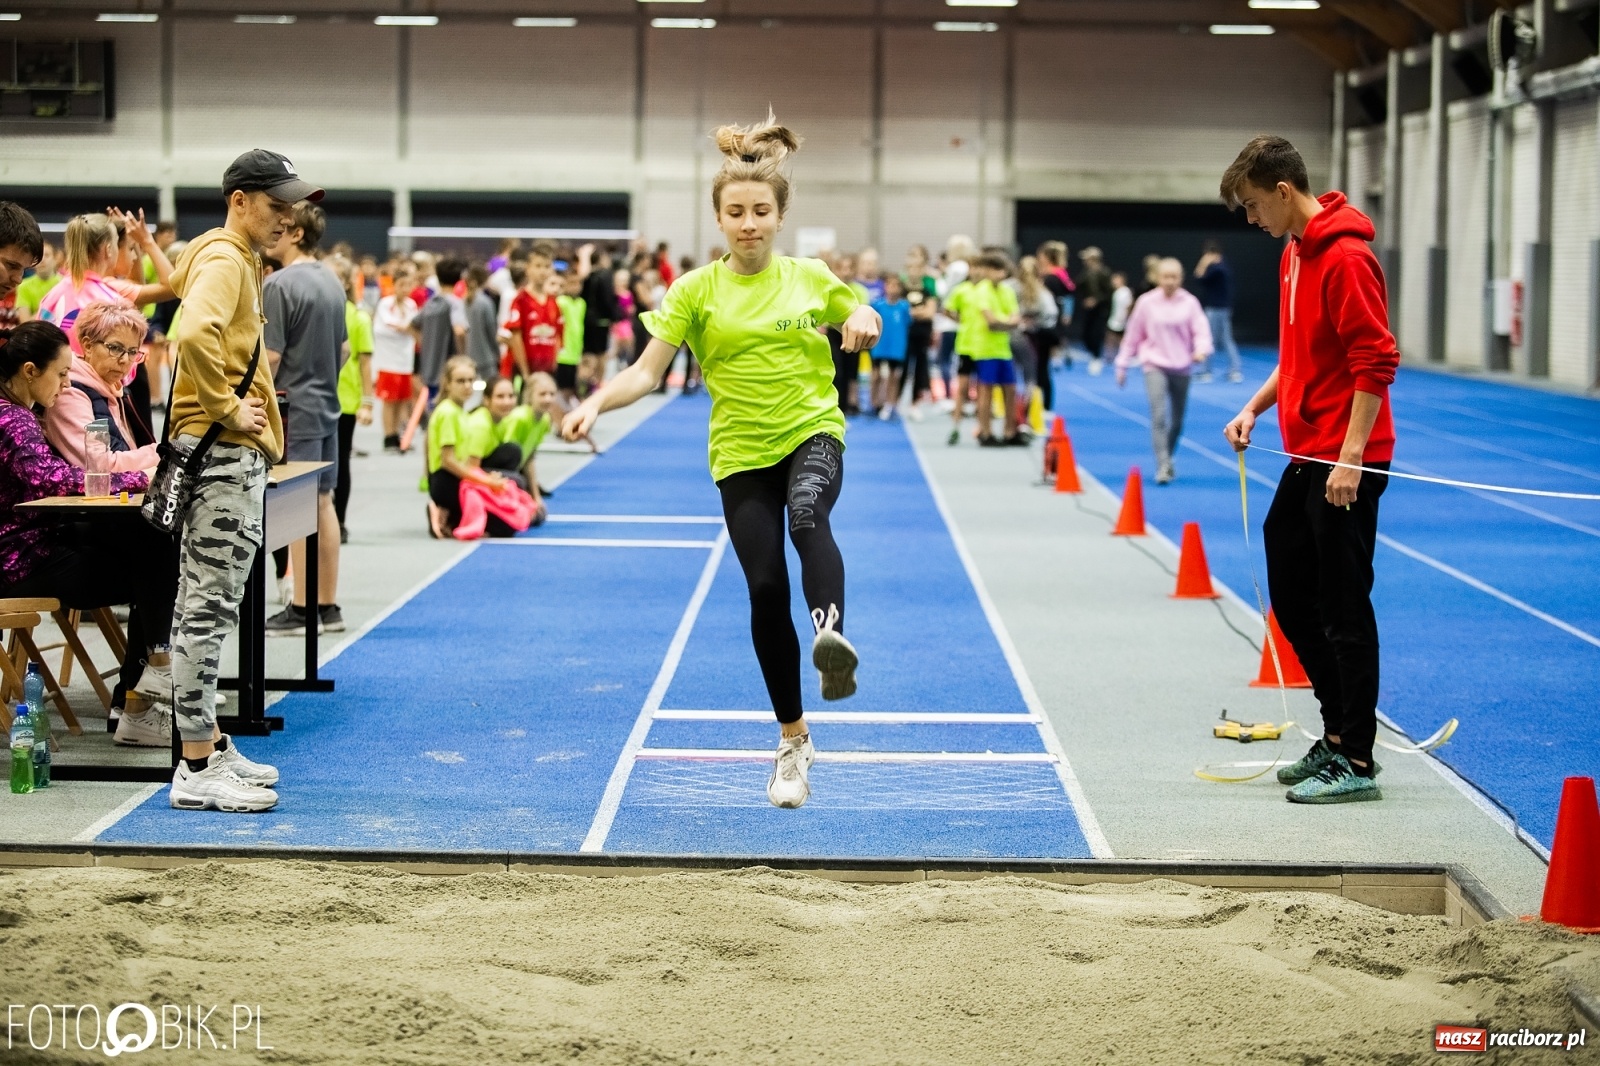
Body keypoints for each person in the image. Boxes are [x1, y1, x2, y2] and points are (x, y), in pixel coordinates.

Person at [563, 114, 881, 810]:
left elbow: (860, 312)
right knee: (765, 589)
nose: (748, 223)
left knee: (808, 516)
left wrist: (861, 319)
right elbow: (646, 373)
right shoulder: (696, 291)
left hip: (811, 431)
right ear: (718, 217)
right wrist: (596, 403)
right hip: (740, 453)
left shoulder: (810, 277)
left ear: (779, 216)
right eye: (735, 212)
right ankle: (793, 739)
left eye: (760, 211)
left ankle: (831, 636)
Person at [1220, 135, 1400, 804]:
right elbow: (1297, 354)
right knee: (1291, 590)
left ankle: (1356, 758)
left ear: (1285, 192)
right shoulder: (1295, 254)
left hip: (1346, 458)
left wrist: (1351, 457)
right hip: (1308, 451)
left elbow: (1375, 360)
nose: (1250, 219)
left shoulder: (1347, 258)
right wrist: (1255, 407)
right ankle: (1334, 734)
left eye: (1253, 205)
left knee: (1344, 606)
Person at [166, 148, 323, 814]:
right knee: (206, 609)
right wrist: (230, 406)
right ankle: (195, 766)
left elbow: (178, 288)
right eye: (275, 203)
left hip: (224, 451)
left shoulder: (216, 254)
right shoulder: (228, 259)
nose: (288, 217)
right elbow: (189, 331)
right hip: (222, 448)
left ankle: (210, 743)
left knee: (212, 605)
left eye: (292, 206)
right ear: (239, 200)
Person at [0, 319, 177, 748]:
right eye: (60, 375)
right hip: (18, 562)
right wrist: (137, 481)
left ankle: (149, 679)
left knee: (149, 549)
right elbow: (52, 479)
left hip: (33, 549)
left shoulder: (22, 414)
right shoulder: (12, 420)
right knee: (153, 555)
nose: (65, 386)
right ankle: (147, 682)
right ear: (29, 371)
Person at [261, 200, 348, 638]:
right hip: (327, 403)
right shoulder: (332, 280)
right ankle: (327, 606)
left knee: (298, 503)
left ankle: (300, 608)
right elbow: (345, 350)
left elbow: (269, 357)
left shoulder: (278, 285)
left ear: (298, 233)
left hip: (296, 407)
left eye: (283, 224)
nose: (273, 228)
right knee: (322, 502)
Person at [1114, 258, 1212, 485]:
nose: (1170, 281)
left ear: (1181, 278)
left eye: (1174, 277)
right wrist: (1122, 364)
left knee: (1177, 421)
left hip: (1182, 366)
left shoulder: (1190, 303)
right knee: (1159, 416)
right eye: (1165, 276)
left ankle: (1168, 455)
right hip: (1154, 365)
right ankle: (1163, 464)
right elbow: (1132, 336)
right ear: (1158, 278)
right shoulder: (1146, 303)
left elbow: (1201, 331)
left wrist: (1201, 350)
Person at [41, 301, 159, 473]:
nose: (125, 360)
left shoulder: (112, 388)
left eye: (132, 351)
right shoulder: (70, 392)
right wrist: (159, 453)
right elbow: (100, 467)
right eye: (115, 348)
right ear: (88, 346)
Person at [38, 210, 174, 353]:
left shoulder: (52, 295)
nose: (134, 256)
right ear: (109, 250)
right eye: (128, 247)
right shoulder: (112, 299)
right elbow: (172, 286)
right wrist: (147, 241)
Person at [426, 356, 513, 539]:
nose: (467, 386)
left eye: (470, 380)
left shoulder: (461, 412)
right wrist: (486, 482)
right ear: (448, 384)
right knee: (504, 527)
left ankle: (450, 516)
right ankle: (443, 509)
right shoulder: (448, 412)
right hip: (446, 481)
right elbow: (447, 460)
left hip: (459, 478)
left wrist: (484, 477)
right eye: (460, 381)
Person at [330, 257, 374, 542]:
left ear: (346, 282)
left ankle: (340, 521)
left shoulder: (358, 317)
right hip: (314, 400)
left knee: (341, 461)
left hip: (345, 400)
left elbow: (365, 363)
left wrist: (367, 401)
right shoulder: (316, 310)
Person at [372, 260, 421, 452]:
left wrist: (407, 329)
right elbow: (392, 326)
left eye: (408, 285)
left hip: (405, 360)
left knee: (403, 400)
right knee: (389, 401)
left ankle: (400, 435)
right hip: (388, 361)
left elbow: (413, 327)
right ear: (394, 285)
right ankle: (388, 436)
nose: (405, 289)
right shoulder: (386, 304)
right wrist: (406, 329)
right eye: (401, 285)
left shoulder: (411, 305)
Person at [502, 243, 561, 386]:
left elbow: (557, 336)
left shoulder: (554, 303)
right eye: (538, 266)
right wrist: (525, 373)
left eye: (547, 266)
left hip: (545, 372)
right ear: (528, 269)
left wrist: (553, 366)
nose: (542, 271)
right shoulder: (520, 300)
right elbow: (516, 338)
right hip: (523, 373)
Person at [414, 255, 464, 408]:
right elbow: (459, 331)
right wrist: (462, 357)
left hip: (429, 368)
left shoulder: (431, 302)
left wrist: (424, 343)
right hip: (449, 369)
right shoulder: (455, 303)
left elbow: (412, 325)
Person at [1195, 240, 1242, 383]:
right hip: (1220, 307)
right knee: (1224, 339)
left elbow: (1199, 276)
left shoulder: (1218, 269)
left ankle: (1207, 371)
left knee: (1210, 339)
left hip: (1217, 308)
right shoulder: (1221, 267)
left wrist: (1203, 263)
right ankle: (1233, 369)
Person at [870, 274, 911, 420]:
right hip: (880, 346)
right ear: (885, 287)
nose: (893, 288)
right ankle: (874, 403)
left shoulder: (904, 307)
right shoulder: (877, 305)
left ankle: (890, 404)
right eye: (890, 285)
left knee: (894, 377)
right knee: (876, 375)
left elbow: (907, 324)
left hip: (896, 348)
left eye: (896, 285)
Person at [1076, 246, 1113, 374]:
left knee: (1097, 334)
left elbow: (1108, 293)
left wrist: (1096, 300)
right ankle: (1093, 354)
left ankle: (1097, 358)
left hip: (1100, 310)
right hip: (1088, 310)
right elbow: (1079, 288)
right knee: (1086, 335)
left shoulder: (1104, 273)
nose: (1084, 261)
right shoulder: (1085, 273)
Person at [464, 264, 501, 385]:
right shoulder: (486, 303)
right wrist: (497, 352)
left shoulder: (463, 301)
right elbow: (491, 331)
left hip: (468, 356)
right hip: (486, 358)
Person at [554, 269, 586, 406]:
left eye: (578, 283)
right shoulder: (560, 302)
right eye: (572, 283)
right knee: (561, 387)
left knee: (571, 386)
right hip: (562, 353)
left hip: (575, 352)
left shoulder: (581, 303)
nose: (576, 286)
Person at [14, 241, 58, 321]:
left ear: (55, 260)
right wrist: (48, 306)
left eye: (47, 255)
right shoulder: (23, 286)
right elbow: (25, 322)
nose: (43, 260)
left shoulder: (65, 283)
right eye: (39, 256)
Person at [1105, 271, 1133, 357]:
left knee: (1121, 340)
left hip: (1122, 321)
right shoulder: (1116, 292)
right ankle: (1110, 356)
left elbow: (1128, 306)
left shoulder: (1125, 291)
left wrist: (1125, 318)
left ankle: (1125, 355)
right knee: (1110, 338)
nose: (1113, 281)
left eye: (1116, 279)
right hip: (1114, 320)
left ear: (1121, 280)